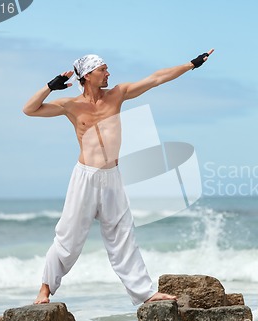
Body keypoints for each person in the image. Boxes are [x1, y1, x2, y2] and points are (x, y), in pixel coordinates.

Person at [23, 49, 214, 305]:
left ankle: (145, 293)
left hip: (112, 175)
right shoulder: (70, 105)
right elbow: (29, 109)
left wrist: (192, 64)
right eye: (103, 69)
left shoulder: (117, 94)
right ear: (88, 75)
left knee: (123, 235)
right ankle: (44, 291)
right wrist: (50, 87)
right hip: (85, 177)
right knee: (68, 237)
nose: (108, 73)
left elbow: (157, 78)